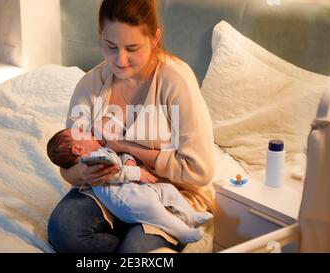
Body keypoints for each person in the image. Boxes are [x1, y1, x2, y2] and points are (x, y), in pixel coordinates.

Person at [48, 0, 215, 253]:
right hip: (109, 189)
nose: (120, 60)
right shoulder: (91, 85)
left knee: (137, 252)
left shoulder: (175, 81)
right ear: (101, 37)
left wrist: (125, 147)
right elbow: (68, 168)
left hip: (169, 192)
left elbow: (199, 170)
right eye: (111, 46)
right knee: (64, 230)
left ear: (154, 37)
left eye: (132, 48)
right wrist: (85, 173)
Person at [47, 128, 213, 244]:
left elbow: (119, 158)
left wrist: (129, 158)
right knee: (158, 213)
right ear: (77, 148)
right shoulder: (93, 160)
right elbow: (114, 172)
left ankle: (191, 216)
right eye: (82, 133)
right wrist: (137, 173)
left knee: (168, 190)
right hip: (129, 201)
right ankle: (184, 233)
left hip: (138, 189)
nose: (87, 131)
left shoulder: (102, 151)